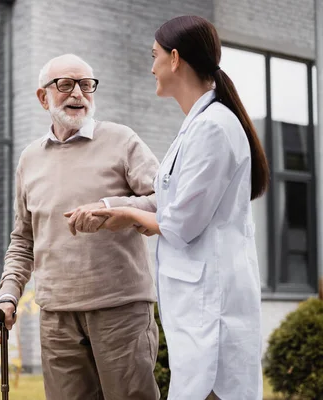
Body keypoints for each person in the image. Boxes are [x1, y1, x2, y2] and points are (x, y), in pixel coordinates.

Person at [83, 15, 269, 400]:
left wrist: (129, 216)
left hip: (213, 309)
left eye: (154, 56)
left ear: (175, 59)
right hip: (198, 305)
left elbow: (181, 223)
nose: (151, 67)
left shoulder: (214, 127)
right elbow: (171, 206)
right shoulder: (199, 125)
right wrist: (120, 210)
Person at [0, 53, 161, 400]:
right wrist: (8, 295)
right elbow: (23, 239)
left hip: (120, 310)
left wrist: (114, 207)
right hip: (56, 317)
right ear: (43, 97)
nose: (78, 94)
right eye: (65, 85)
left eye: (86, 85)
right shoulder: (29, 159)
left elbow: (168, 201)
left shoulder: (122, 140)